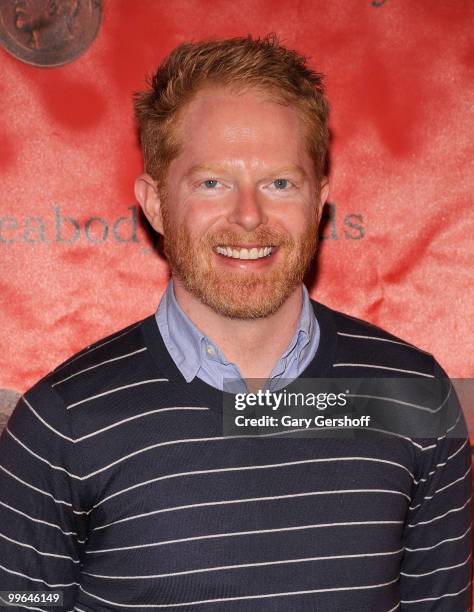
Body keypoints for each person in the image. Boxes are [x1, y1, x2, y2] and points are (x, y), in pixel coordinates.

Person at [0, 35, 471, 611]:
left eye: (279, 183)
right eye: (212, 182)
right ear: (154, 203)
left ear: (319, 199)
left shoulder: (414, 397)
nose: (249, 216)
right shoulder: (61, 424)